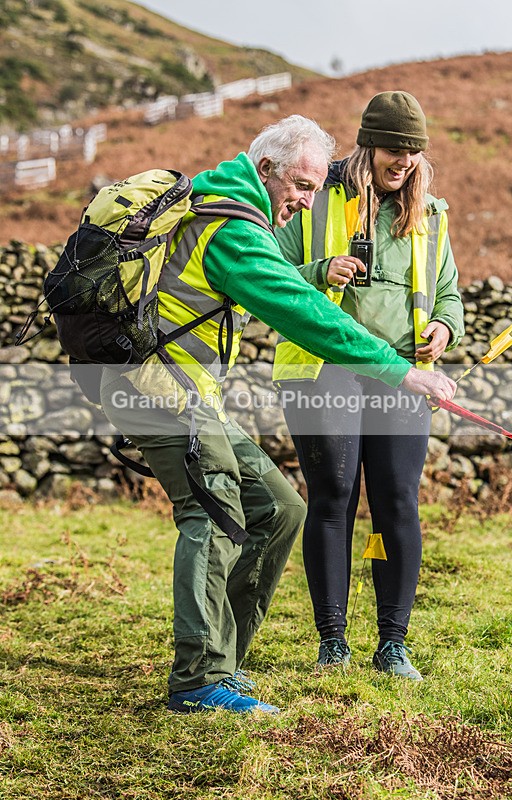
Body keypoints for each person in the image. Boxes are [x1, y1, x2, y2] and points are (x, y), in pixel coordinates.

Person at [100, 114, 457, 715]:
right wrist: (400, 371)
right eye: (301, 186)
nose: (307, 201)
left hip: (188, 392)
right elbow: (301, 311)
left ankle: (224, 663)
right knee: (214, 511)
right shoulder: (233, 228)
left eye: (315, 188)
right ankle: (198, 681)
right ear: (265, 169)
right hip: (157, 389)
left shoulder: (233, 205)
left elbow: (442, 290)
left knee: (280, 507)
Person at [273, 93, 464, 679]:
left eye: (412, 151)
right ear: (368, 144)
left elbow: (449, 292)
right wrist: (319, 271)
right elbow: (268, 275)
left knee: (397, 501)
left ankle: (392, 645)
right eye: (392, 148)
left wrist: (444, 327)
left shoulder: (430, 214)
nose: (402, 161)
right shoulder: (316, 197)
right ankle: (332, 641)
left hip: (401, 373)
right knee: (333, 496)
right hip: (323, 367)